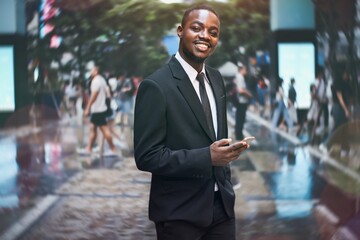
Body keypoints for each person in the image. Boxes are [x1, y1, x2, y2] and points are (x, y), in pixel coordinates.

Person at [133, 4, 250, 239]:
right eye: (197, 28)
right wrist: (207, 157)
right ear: (180, 31)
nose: (205, 36)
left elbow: (214, 137)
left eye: (213, 32)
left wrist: (226, 157)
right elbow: (147, 156)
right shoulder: (156, 86)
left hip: (222, 210)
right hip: (179, 214)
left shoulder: (216, 79)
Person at [77, 66, 117, 156]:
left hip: (98, 109)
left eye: (92, 70)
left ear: (96, 71)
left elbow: (94, 95)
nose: (90, 72)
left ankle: (113, 149)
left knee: (104, 129)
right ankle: (88, 148)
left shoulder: (96, 81)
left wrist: (88, 107)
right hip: (100, 108)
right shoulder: (102, 80)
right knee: (93, 128)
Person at [234, 63, 252, 140]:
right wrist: (249, 94)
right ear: (242, 70)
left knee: (239, 119)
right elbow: (241, 90)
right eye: (245, 70)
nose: (246, 71)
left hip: (240, 101)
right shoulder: (240, 77)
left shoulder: (238, 77)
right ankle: (239, 136)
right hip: (241, 101)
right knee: (240, 119)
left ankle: (238, 134)